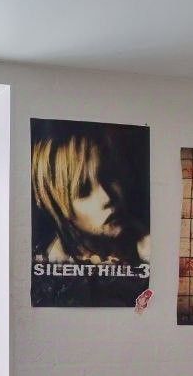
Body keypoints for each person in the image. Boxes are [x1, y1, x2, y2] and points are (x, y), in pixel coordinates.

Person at [31, 122, 151, 305]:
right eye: (84, 190)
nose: (107, 197)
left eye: (108, 174)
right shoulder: (51, 279)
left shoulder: (146, 244)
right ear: (57, 207)